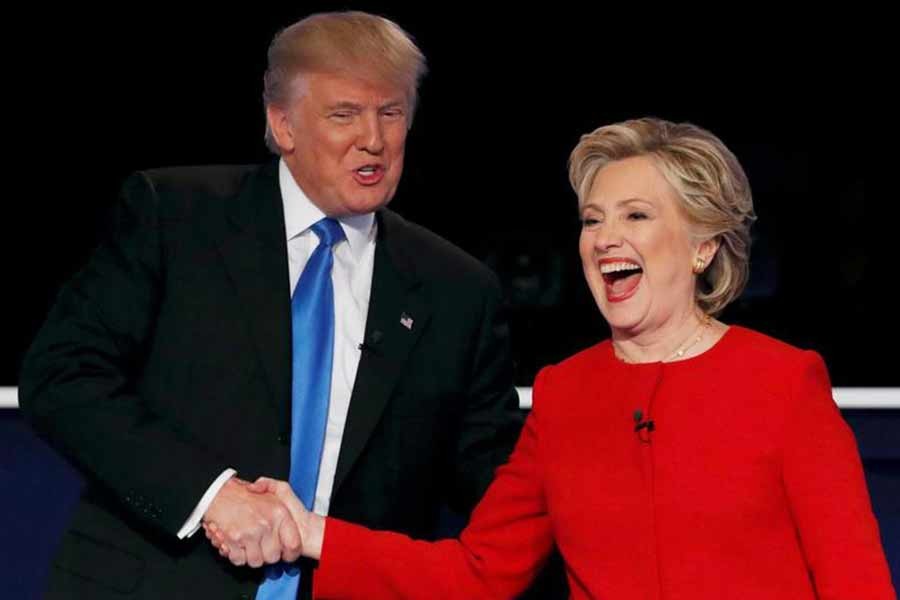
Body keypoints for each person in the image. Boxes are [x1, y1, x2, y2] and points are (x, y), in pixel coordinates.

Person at [218, 117, 896, 599]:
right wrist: (313, 533)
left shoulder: (783, 383)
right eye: (593, 219)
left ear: (702, 248)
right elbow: (477, 573)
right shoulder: (566, 394)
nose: (605, 239)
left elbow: (856, 585)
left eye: (635, 216)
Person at [19, 11, 523, 600]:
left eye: (391, 112)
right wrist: (211, 494)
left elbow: (497, 484)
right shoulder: (175, 218)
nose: (374, 139)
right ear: (282, 124)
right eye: (345, 114)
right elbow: (62, 377)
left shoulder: (456, 289)